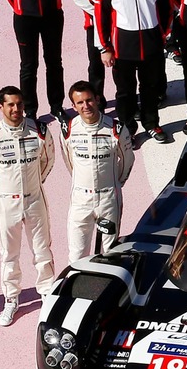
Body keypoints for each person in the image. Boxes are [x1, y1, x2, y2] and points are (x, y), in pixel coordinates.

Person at [0, 86, 56, 323]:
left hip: (34, 199)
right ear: (0, 106)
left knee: (42, 250)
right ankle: (11, 299)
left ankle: (47, 293)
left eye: (19, 104)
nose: (16, 109)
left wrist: (31, 187)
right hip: (6, 203)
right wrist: (6, 189)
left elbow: (47, 161)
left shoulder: (40, 130)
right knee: (9, 254)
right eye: (10, 105)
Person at [94, 0, 170, 141]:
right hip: (122, 46)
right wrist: (105, 47)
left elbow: (166, 10)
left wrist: (162, 34)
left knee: (150, 87)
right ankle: (127, 128)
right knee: (125, 91)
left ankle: (152, 123)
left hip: (151, 42)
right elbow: (100, 17)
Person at [57, 80, 133, 264]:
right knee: (76, 254)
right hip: (80, 199)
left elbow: (128, 160)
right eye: (80, 103)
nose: (86, 106)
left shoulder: (117, 128)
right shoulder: (67, 131)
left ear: (97, 99)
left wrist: (117, 182)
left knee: (109, 253)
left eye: (89, 100)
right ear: (74, 106)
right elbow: (70, 162)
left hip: (109, 198)